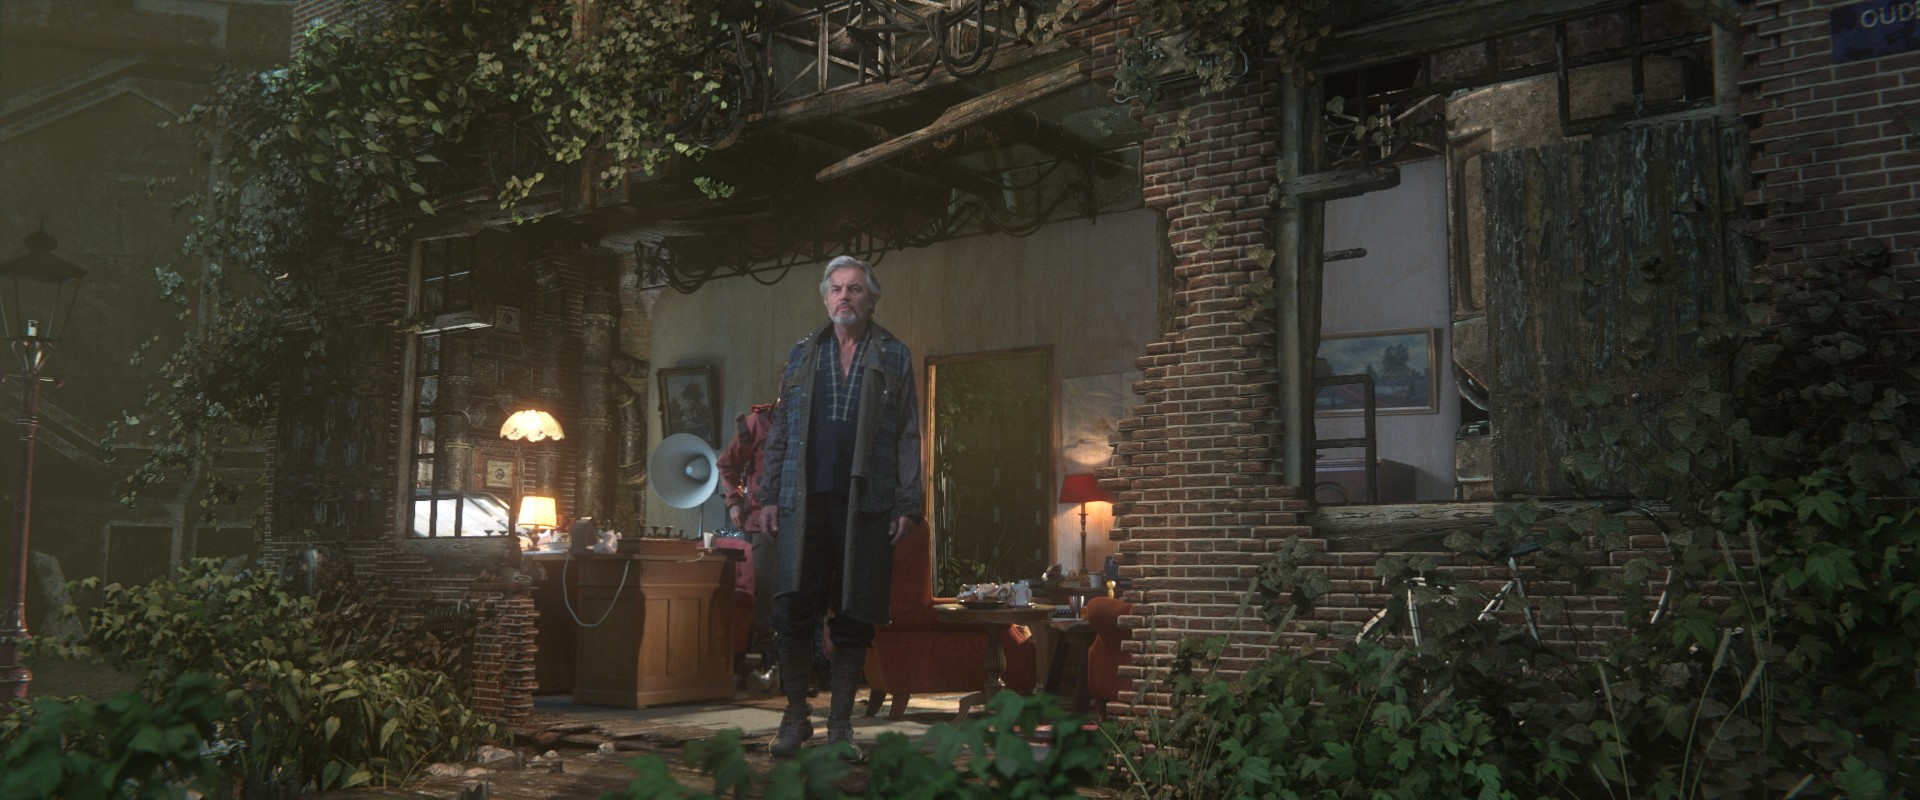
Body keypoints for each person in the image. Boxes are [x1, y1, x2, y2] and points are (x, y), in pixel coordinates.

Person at [750, 255, 922, 760]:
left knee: (853, 611)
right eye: (836, 289)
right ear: (826, 298)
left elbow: (908, 433)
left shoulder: (894, 354)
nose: (844, 296)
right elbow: (781, 430)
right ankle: (795, 716)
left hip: (866, 503)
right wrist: (769, 495)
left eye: (855, 288)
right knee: (791, 606)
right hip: (803, 502)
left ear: (871, 299)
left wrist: (907, 501)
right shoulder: (803, 353)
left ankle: (841, 725)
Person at [717, 401, 779, 684]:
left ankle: (799, 666)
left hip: (802, 521)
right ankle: (764, 661)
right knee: (767, 590)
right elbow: (727, 463)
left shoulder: (808, 420)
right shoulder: (756, 423)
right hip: (762, 521)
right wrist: (734, 503)